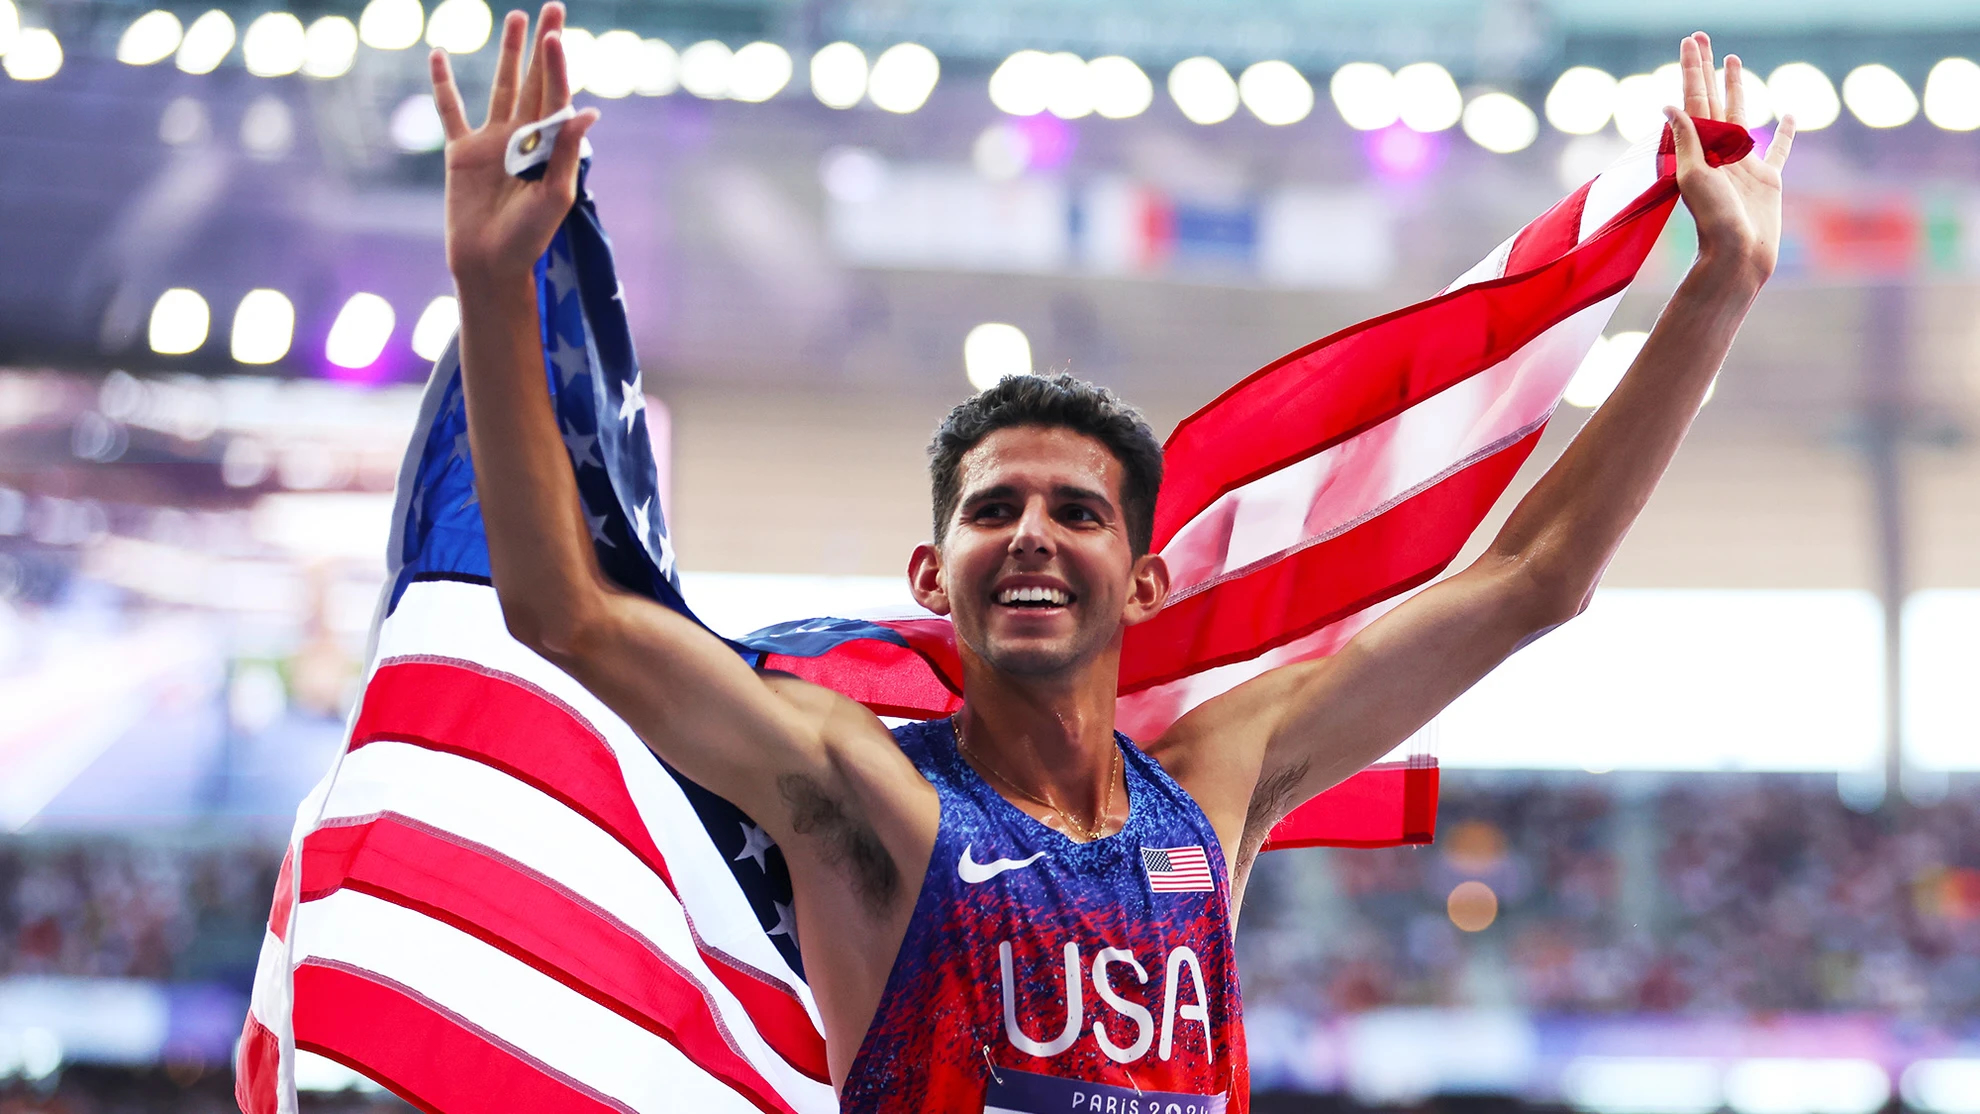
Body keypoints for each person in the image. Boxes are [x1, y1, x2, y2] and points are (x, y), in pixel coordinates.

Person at [429, 7, 1793, 1111]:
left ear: (1141, 580)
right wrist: (497, 286)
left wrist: (1716, 289)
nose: (1032, 532)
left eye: (1077, 511)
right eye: (993, 508)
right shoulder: (860, 792)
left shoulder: (1218, 782)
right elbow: (571, 619)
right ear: (932, 572)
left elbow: (1532, 582)